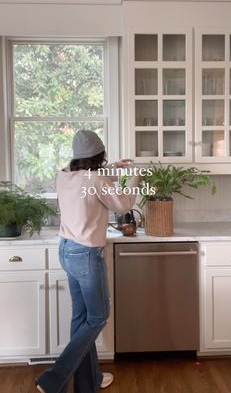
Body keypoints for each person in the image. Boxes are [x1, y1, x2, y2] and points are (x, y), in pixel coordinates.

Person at [35, 130, 140, 393]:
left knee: (81, 317)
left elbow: (93, 180)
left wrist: (115, 169)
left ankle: (88, 381)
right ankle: (52, 379)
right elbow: (123, 204)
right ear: (99, 155)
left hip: (67, 251)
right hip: (86, 255)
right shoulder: (95, 179)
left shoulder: (65, 175)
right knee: (98, 316)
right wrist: (135, 175)